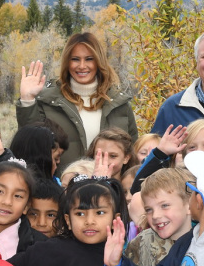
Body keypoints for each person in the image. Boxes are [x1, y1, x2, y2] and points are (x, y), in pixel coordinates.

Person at [18, 33, 139, 173]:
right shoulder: (48, 101)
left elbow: (133, 153)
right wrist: (27, 100)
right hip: (62, 189)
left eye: (89, 59)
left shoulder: (119, 103)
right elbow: (29, 144)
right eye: (75, 59)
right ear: (67, 62)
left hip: (110, 190)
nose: (82, 66)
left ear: (99, 62)